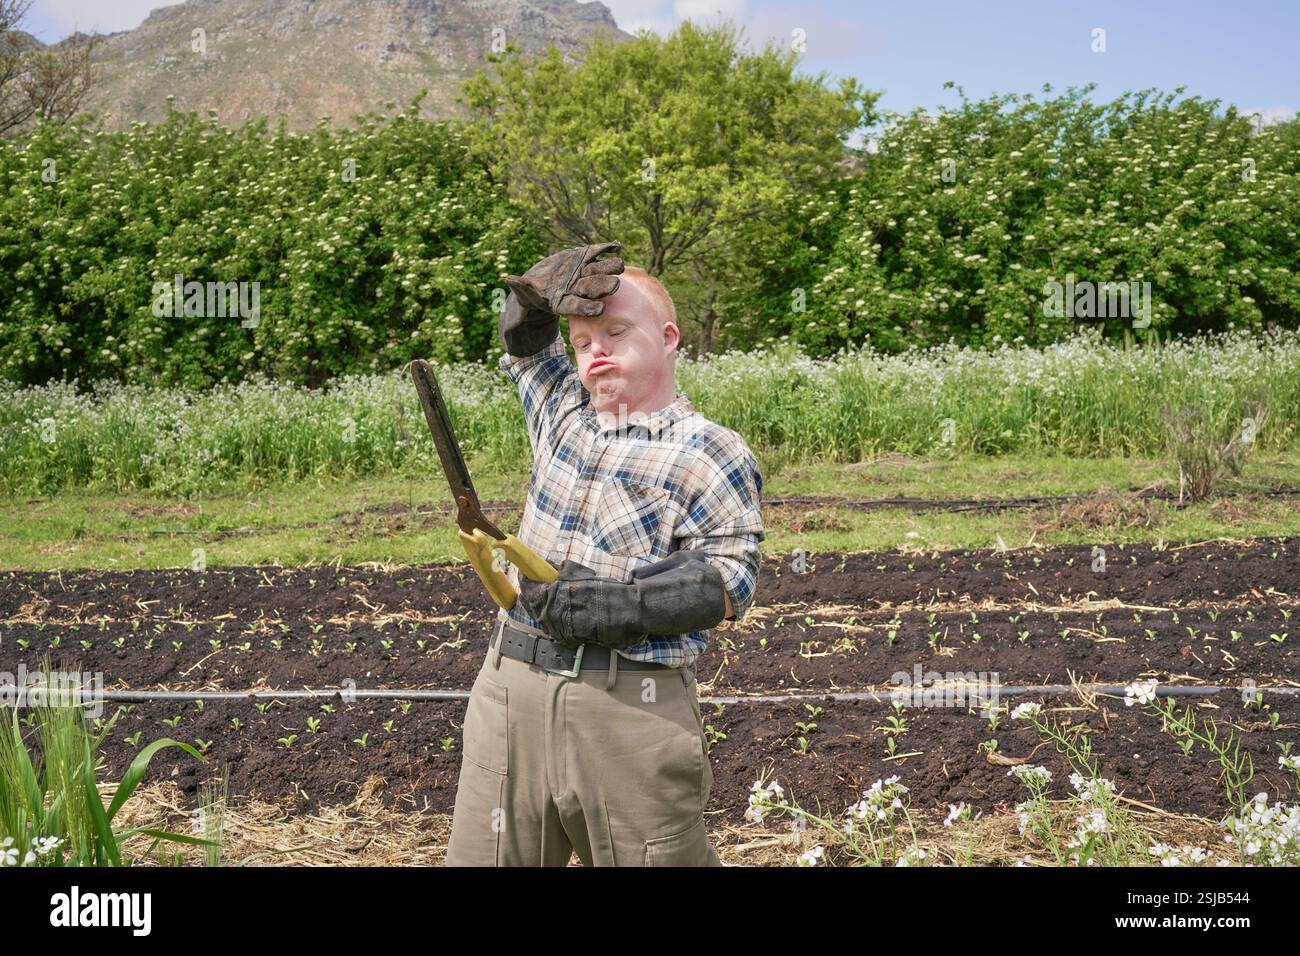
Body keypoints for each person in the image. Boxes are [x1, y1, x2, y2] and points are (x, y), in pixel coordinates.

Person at [444, 241, 765, 866]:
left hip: (627, 709)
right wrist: (532, 294)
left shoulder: (709, 450)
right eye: (584, 340)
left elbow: (728, 584)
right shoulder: (561, 412)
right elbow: (526, 341)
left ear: (669, 337)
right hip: (508, 694)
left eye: (617, 331)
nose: (597, 351)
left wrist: (622, 606)